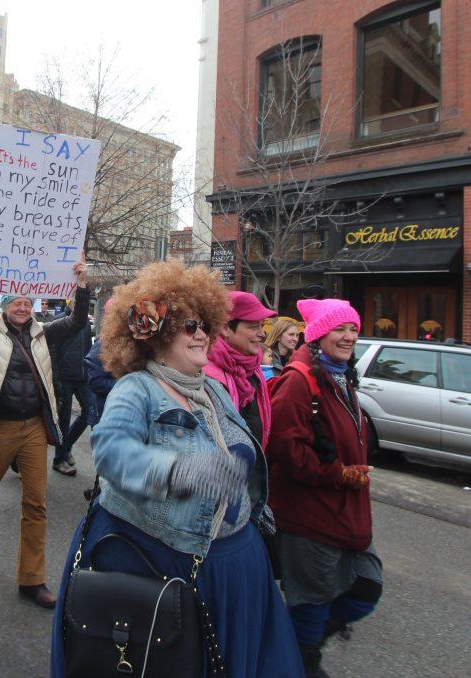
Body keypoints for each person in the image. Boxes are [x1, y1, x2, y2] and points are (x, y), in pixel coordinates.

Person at [51, 260, 303, 677]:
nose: (202, 333)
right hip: (165, 563)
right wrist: (181, 471)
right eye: (189, 326)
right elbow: (112, 451)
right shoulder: (138, 388)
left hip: (238, 573)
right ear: (158, 335)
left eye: (205, 323)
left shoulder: (214, 390)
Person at [0, 241, 90, 609]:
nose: (23, 307)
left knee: (36, 503)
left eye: (28, 303)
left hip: (32, 429)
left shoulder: (45, 333)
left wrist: (82, 282)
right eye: (16, 302)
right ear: (5, 306)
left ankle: (32, 578)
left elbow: (77, 320)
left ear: (34, 307)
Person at [267, 299, 382, 677]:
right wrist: (338, 474)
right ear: (317, 335)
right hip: (310, 516)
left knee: (366, 587)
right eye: (339, 329)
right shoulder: (299, 380)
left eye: (353, 328)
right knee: (312, 604)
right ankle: (298, 662)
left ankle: (285, 645)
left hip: (347, 513)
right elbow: (285, 449)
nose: (349, 337)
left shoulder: (341, 374)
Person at [205, 291, 276, 450]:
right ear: (225, 328)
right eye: (253, 326)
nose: (262, 334)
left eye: (262, 325)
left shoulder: (254, 370)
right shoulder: (207, 378)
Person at [49, 297, 96, 477]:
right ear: (70, 302)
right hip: (64, 378)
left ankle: (66, 447)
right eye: (75, 300)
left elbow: (87, 349)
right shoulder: (58, 321)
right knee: (64, 419)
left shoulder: (84, 323)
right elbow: (52, 352)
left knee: (89, 414)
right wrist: (56, 379)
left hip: (83, 377)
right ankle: (59, 459)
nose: (78, 303)